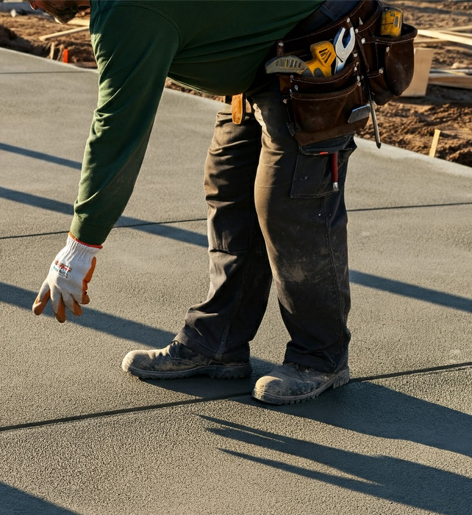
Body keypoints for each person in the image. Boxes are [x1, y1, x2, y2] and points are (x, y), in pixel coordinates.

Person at [30, 0, 362, 405]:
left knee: (288, 200)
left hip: (315, 42)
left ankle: (321, 357)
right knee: (229, 184)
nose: (32, 4)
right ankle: (218, 343)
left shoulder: (125, 11)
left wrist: (81, 245)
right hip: (261, 61)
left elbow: (118, 128)